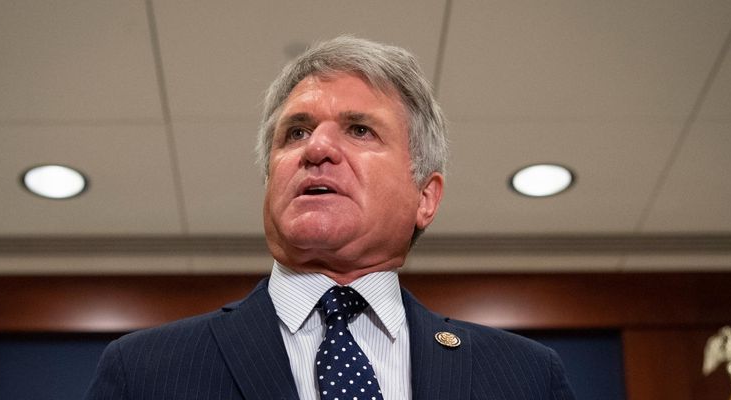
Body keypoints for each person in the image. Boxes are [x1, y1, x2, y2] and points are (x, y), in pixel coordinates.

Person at [84, 35, 576, 400]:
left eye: (360, 130)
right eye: (295, 133)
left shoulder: (526, 377)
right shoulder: (144, 372)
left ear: (426, 196)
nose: (316, 148)